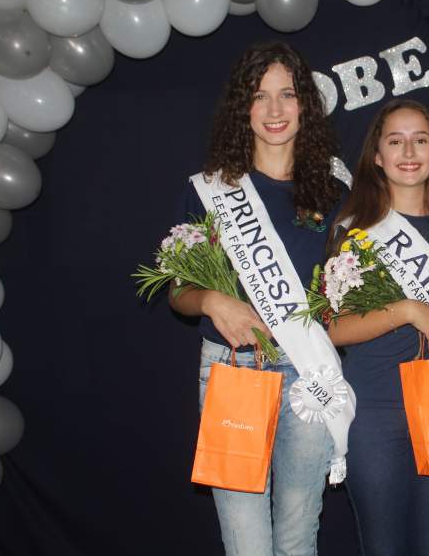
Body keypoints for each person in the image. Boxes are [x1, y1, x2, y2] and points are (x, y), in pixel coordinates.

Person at [169, 41, 352, 556]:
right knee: (246, 544)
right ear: (241, 108)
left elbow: (342, 299)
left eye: (287, 95)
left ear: (304, 106)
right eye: (259, 96)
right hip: (233, 372)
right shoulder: (209, 191)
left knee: (298, 539)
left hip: (309, 376)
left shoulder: (334, 197)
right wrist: (210, 301)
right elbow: (177, 292)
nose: (274, 111)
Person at [326, 99, 429, 556]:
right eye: (395, 140)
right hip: (376, 412)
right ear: (377, 155)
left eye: (420, 139)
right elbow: (334, 329)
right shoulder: (353, 230)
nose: (408, 151)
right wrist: (406, 310)